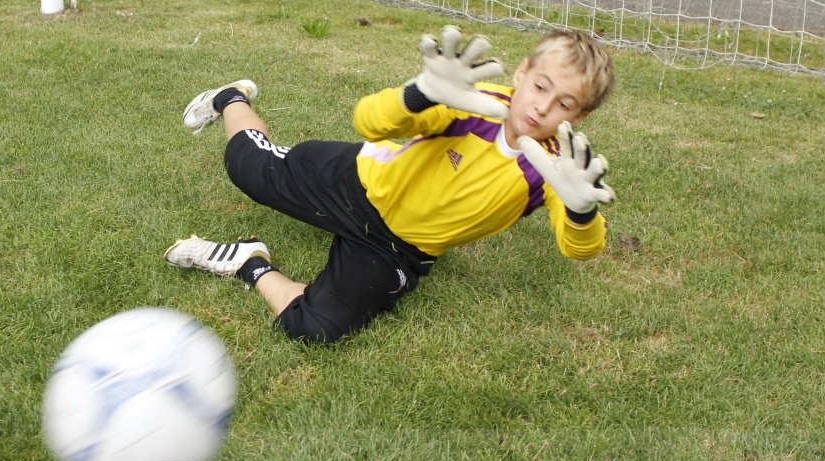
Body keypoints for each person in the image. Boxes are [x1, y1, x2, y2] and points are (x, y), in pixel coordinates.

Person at [165, 25, 616, 344]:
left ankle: (249, 261)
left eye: (564, 104)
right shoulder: (469, 104)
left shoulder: (561, 171)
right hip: (355, 182)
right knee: (243, 164)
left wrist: (581, 211)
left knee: (314, 329)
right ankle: (230, 98)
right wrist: (421, 93)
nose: (542, 108)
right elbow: (368, 120)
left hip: (398, 248)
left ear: (579, 118)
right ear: (521, 74)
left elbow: (581, 248)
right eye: (539, 86)